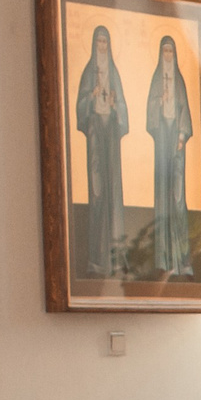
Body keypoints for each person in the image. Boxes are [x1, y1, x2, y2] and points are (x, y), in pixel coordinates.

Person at [73, 24, 127, 277]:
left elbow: (123, 114)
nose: (102, 47)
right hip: (96, 141)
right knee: (97, 195)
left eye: (105, 43)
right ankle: (97, 260)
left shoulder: (113, 73)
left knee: (114, 197)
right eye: (99, 43)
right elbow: (81, 108)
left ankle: (117, 261)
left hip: (111, 143)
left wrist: (115, 107)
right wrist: (90, 99)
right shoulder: (88, 73)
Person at [146, 35, 196, 279]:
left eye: (170, 51)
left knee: (178, 198)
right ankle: (164, 259)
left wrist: (181, 135)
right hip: (161, 142)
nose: (167, 55)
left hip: (176, 144)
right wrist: (159, 102)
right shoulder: (158, 79)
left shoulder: (179, 81)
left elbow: (185, 110)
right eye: (164, 51)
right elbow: (151, 114)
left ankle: (182, 260)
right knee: (163, 198)